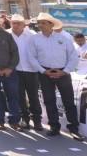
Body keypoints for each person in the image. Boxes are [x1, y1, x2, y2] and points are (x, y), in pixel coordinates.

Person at [29, 12, 82, 140]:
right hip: (45, 73)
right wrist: (43, 71)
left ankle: (73, 128)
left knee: (68, 101)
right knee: (49, 101)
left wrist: (65, 71)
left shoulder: (64, 38)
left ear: (51, 24)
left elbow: (73, 57)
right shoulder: (34, 39)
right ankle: (54, 127)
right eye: (39, 23)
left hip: (63, 72)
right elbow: (31, 57)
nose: (40, 25)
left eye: (43, 23)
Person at [8, 14, 43, 131]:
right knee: (19, 97)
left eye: (18, 23)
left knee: (33, 96)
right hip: (15, 70)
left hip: (31, 70)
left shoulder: (32, 35)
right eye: (14, 23)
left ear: (24, 24)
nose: (16, 25)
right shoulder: (6, 34)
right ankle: (25, 119)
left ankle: (37, 120)